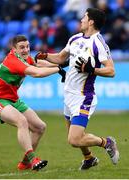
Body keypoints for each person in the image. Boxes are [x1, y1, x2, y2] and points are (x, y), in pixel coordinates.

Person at [35, 8, 120, 170]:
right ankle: (89, 158)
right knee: (76, 136)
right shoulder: (75, 38)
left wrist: (92, 69)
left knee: (74, 140)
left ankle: (107, 142)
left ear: (91, 22)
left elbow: (111, 71)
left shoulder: (99, 43)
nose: (81, 20)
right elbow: (60, 58)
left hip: (83, 97)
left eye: (84, 17)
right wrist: (45, 56)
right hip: (68, 95)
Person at [0, 35, 66, 171]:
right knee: (21, 121)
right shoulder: (13, 61)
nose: (26, 50)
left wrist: (61, 64)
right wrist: (58, 70)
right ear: (14, 49)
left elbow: (38, 64)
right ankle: (33, 159)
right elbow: (36, 73)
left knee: (39, 127)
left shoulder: (23, 58)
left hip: (13, 99)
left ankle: (24, 164)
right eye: (22, 47)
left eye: (27, 46)